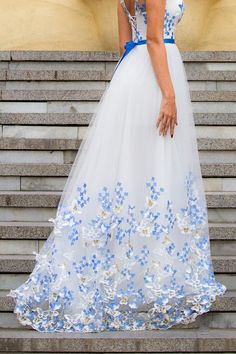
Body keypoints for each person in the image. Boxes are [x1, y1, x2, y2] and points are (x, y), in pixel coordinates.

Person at [7, 0, 226, 332]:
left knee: (137, 173)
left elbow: (126, 42)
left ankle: (136, 279)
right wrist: (167, 94)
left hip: (134, 73)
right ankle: (148, 281)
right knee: (154, 171)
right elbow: (154, 39)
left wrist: (126, 91)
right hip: (157, 75)